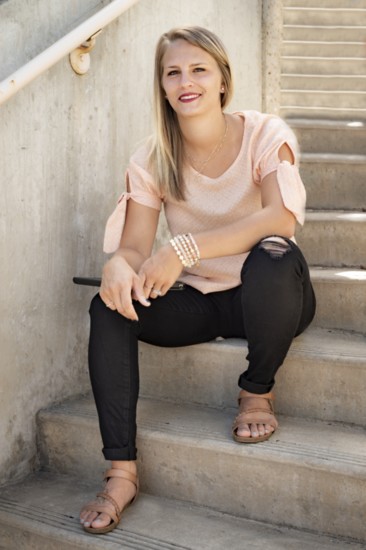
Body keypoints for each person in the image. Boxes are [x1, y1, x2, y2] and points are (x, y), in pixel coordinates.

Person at [79, 26, 316, 534]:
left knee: (273, 257)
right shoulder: (151, 157)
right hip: (203, 301)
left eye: (198, 69)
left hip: (271, 296)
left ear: (223, 79)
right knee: (108, 305)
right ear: (162, 87)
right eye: (173, 72)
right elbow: (135, 247)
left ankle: (256, 391)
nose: (186, 81)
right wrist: (118, 265)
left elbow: (281, 218)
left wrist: (183, 248)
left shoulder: (264, 133)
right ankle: (121, 470)